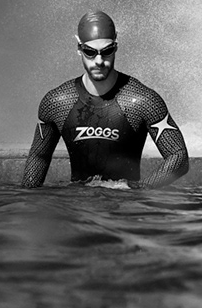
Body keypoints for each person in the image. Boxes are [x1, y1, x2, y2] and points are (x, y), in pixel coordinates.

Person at [23, 11, 190, 188]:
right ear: (79, 48)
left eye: (106, 51)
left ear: (116, 46)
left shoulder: (142, 100)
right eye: (90, 52)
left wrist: (139, 189)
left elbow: (178, 157)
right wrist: (27, 199)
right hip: (78, 204)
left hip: (124, 205)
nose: (99, 61)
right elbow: (39, 156)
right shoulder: (58, 102)